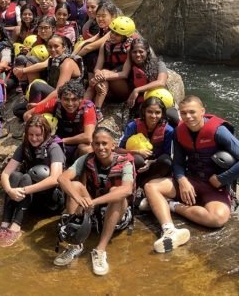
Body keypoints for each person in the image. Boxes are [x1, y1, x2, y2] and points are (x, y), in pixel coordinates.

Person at [144, 96, 239, 253]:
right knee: (151, 187)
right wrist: (182, 180)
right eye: (184, 113)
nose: (188, 117)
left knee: (217, 219)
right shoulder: (179, 132)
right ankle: (169, 230)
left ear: (202, 111)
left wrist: (222, 179)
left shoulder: (219, 131)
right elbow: (178, 163)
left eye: (192, 112)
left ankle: (170, 205)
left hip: (215, 187)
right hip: (191, 180)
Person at [55, 127, 135, 276]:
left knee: (116, 192)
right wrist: (78, 198)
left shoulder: (126, 164)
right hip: (92, 212)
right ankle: (75, 244)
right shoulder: (85, 159)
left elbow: (127, 190)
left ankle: (100, 249)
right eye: (97, 143)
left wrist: (95, 201)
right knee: (74, 185)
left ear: (113, 145)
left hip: (117, 214)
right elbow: (62, 178)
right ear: (92, 145)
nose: (101, 147)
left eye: (105, 143)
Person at [0, 115, 65, 246]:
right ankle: (4, 223)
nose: (34, 138)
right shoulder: (24, 147)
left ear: (46, 133)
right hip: (30, 197)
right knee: (15, 176)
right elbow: (5, 174)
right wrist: (9, 190)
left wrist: (23, 190)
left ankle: (16, 226)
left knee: (26, 177)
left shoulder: (54, 148)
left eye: (38, 135)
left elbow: (55, 179)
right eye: (30, 134)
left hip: (51, 200)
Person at [27, 81, 97, 165]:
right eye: (66, 99)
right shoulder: (55, 103)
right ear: (60, 98)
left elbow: (88, 137)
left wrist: (63, 140)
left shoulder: (88, 108)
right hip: (56, 141)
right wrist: (41, 132)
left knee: (87, 150)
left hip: (77, 145)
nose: (70, 104)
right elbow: (27, 114)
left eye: (74, 99)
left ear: (81, 99)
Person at [119, 97, 174, 190]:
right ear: (144, 111)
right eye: (150, 112)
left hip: (155, 166)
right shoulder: (133, 126)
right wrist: (136, 152)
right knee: (137, 159)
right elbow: (118, 150)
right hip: (137, 166)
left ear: (162, 113)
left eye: (157, 112)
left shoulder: (168, 130)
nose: (153, 116)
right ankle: (136, 183)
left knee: (166, 161)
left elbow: (167, 154)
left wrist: (151, 162)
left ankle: (147, 183)